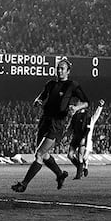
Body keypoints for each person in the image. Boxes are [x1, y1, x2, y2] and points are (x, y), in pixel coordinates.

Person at [12, 58, 89, 192]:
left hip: (57, 123)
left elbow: (86, 102)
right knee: (45, 154)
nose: (59, 70)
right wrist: (37, 102)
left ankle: (23, 184)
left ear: (68, 71)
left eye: (62, 68)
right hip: (44, 121)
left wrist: (76, 108)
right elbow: (40, 97)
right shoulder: (50, 84)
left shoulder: (72, 85)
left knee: (40, 154)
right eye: (58, 68)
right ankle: (60, 174)